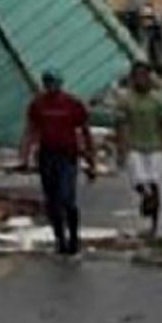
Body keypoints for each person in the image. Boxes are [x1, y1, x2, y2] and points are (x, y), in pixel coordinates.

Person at [20, 70, 96, 256]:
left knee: (67, 197)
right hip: (47, 155)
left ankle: (74, 238)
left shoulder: (73, 104)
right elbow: (31, 130)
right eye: (47, 82)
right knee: (52, 200)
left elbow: (85, 132)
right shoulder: (37, 105)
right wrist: (25, 155)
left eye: (53, 82)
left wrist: (91, 160)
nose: (50, 85)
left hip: (68, 155)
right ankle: (60, 238)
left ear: (60, 83)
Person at [115, 61, 162, 237]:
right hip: (135, 146)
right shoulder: (126, 100)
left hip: (155, 147)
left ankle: (154, 225)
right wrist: (121, 150)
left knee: (155, 184)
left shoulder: (158, 100)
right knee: (139, 180)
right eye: (137, 76)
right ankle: (146, 198)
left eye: (144, 76)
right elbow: (121, 126)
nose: (141, 80)